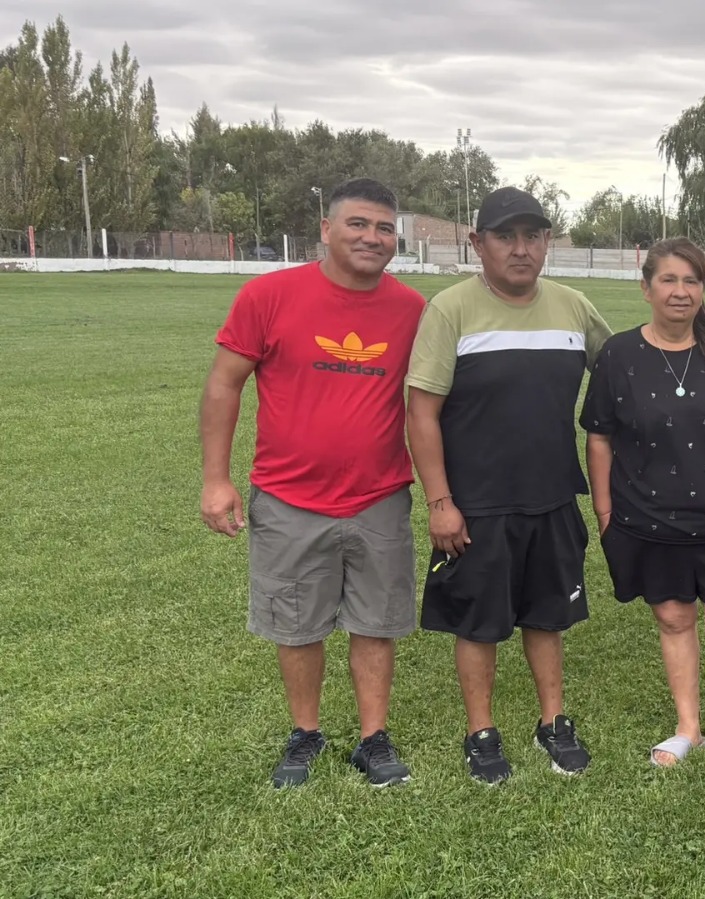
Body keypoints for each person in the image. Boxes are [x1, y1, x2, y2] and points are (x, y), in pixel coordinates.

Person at [199, 177, 423, 789]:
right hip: (289, 498)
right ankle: (306, 733)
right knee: (297, 623)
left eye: (384, 228)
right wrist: (215, 479)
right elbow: (224, 383)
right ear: (325, 229)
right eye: (357, 224)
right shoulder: (269, 296)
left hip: (379, 495)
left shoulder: (411, 310)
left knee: (376, 621)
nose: (372, 238)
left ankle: (374, 739)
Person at [405, 186, 612, 782]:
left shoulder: (573, 307)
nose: (521, 249)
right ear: (478, 244)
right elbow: (422, 413)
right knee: (480, 621)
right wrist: (441, 503)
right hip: (476, 504)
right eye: (505, 236)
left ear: (547, 241)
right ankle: (481, 732)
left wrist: (697, 324)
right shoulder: (450, 310)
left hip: (551, 494)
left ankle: (553, 723)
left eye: (533, 235)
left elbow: (626, 366)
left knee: (547, 617)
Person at [580, 237, 705, 771]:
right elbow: (599, 436)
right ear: (646, 288)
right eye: (669, 280)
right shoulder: (618, 355)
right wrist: (603, 512)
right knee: (673, 619)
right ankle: (688, 727)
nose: (680, 291)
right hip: (649, 518)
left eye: (692, 281)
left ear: (703, 289)